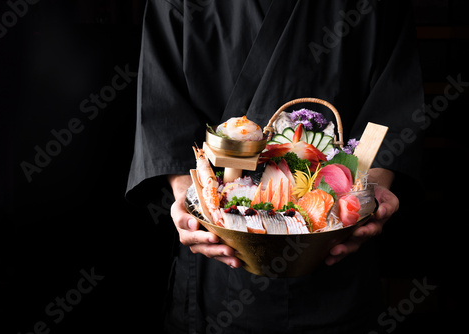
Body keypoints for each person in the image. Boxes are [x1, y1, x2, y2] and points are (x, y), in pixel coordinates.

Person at [126, 0, 424, 333]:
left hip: (338, 256)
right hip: (219, 259)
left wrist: (367, 198)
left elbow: (394, 109)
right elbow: (162, 109)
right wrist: (190, 199)